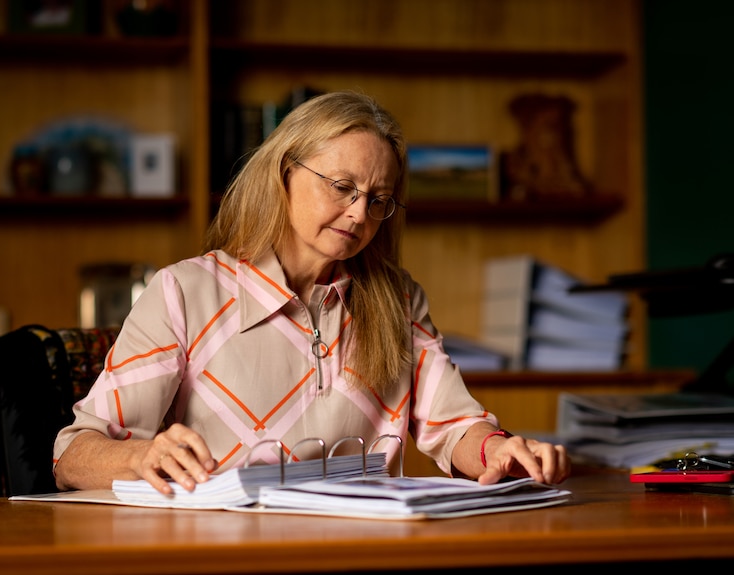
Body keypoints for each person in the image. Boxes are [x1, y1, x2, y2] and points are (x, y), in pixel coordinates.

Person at [53, 90, 571, 495]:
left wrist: (498, 452)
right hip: (223, 553)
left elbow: (455, 425)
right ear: (284, 172)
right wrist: (138, 458)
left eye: (379, 199)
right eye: (342, 187)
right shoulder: (183, 292)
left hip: (361, 552)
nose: (359, 213)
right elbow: (72, 456)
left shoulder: (399, 298)